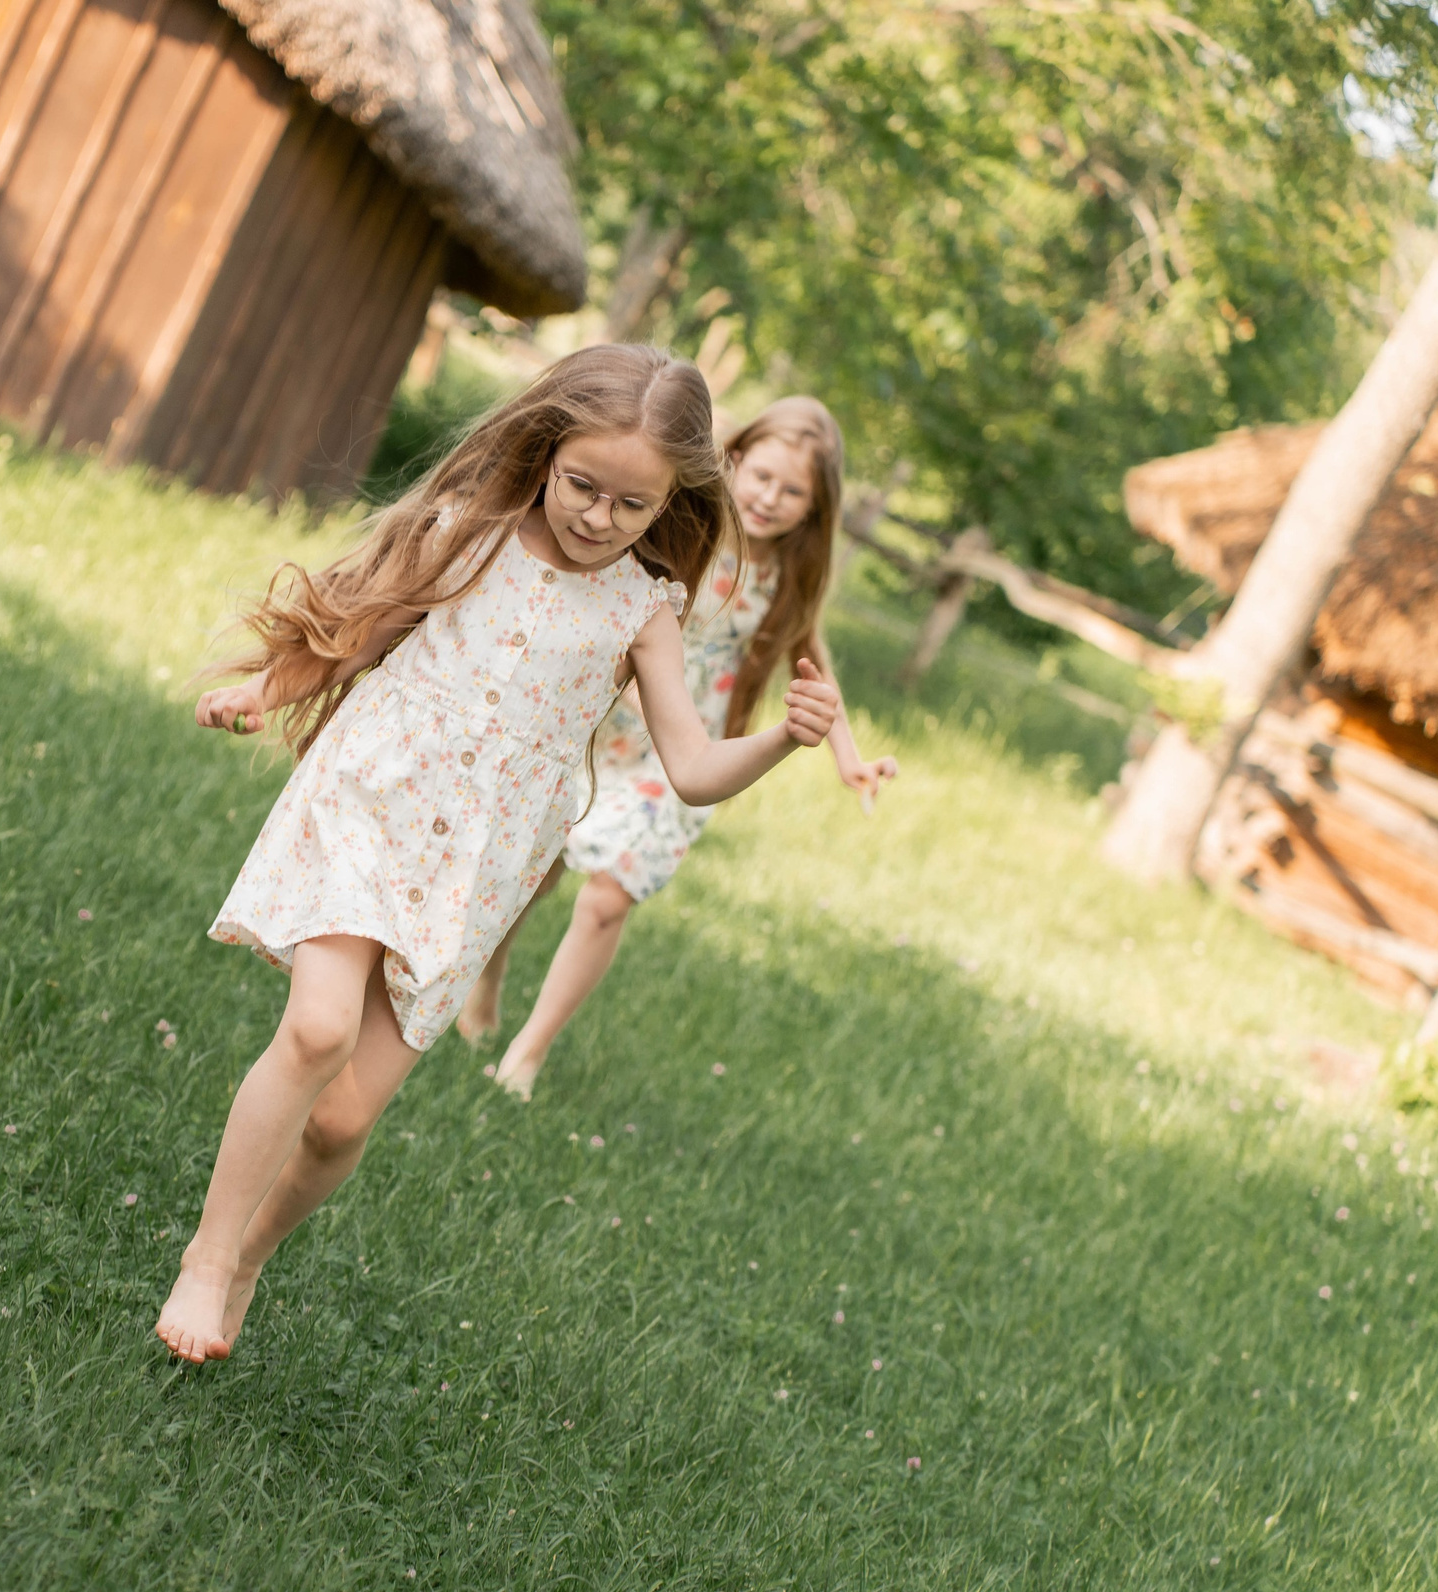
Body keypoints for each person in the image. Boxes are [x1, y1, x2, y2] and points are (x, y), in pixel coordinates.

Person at [154, 346, 841, 1364]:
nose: (599, 517)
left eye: (633, 505)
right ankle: (206, 1261)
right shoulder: (467, 533)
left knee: (342, 1122)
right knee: (317, 1029)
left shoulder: (644, 610)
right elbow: (354, 634)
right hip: (375, 799)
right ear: (548, 448)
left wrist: (784, 738)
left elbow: (692, 768)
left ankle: (251, 1258)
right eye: (583, 485)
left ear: (673, 503)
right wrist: (264, 691)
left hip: (476, 867)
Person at [457, 396, 895, 1100]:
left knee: (610, 894)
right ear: (735, 458)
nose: (769, 499)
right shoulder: (691, 521)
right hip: (606, 715)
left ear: (815, 508)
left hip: (686, 749)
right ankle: (487, 982)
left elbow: (810, 656)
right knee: (536, 868)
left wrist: (849, 758)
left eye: (792, 493)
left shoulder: (791, 569)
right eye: (762, 477)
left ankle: (526, 1055)